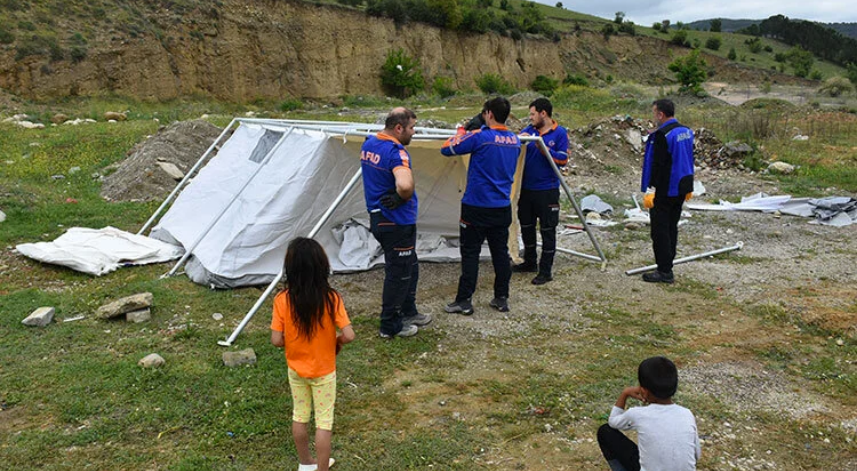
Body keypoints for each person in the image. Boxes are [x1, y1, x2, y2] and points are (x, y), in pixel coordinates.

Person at [270, 237, 356, 471]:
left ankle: (305, 462)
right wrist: (335, 343)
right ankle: (322, 468)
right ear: (322, 266)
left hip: (296, 370)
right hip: (324, 371)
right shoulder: (331, 299)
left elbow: (276, 340)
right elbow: (349, 335)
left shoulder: (282, 300)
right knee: (324, 423)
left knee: (300, 416)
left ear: (290, 268)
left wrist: (295, 343)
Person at [441, 96, 521, 315]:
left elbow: (446, 149)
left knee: (470, 254)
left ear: (489, 114)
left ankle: (464, 301)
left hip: (476, 206)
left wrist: (461, 132)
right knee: (500, 254)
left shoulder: (480, 138)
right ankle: (501, 298)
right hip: (501, 206)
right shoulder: (515, 140)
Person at [360, 107, 432, 338]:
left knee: (410, 265)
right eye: (411, 128)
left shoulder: (370, 143)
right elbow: (405, 185)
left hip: (380, 217)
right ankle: (389, 325)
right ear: (399, 128)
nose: (413, 133)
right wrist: (402, 196)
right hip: (395, 221)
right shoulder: (396, 152)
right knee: (398, 272)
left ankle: (408, 311)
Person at [596, 356, 701, 471]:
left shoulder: (637, 414)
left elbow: (613, 421)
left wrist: (625, 393)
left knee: (605, 431)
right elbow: (696, 455)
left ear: (644, 391)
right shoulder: (686, 414)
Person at [513, 98, 569, 285]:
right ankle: (530, 262)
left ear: (543, 114)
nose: (530, 118)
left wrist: (543, 149)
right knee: (527, 227)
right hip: (526, 189)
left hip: (547, 190)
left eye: (532, 114)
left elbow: (563, 160)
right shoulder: (528, 132)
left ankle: (546, 271)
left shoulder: (559, 133)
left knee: (547, 230)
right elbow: (515, 147)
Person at [640, 99, 694, 284]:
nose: (654, 116)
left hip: (667, 188)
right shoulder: (686, 131)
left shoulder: (663, 135)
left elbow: (659, 165)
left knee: (660, 230)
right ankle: (668, 262)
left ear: (661, 114)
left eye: (655, 113)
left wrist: (651, 189)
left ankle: (664, 271)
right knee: (672, 226)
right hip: (683, 185)